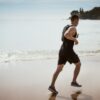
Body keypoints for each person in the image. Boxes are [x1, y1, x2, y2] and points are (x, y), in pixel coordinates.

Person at [48, 15, 82, 94]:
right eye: (76, 21)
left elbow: (65, 36)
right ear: (73, 21)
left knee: (59, 69)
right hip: (68, 51)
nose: (77, 23)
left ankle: (51, 86)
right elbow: (66, 35)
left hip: (62, 50)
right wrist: (75, 39)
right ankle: (73, 81)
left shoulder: (66, 27)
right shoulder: (73, 27)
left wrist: (73, 37)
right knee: (78, 64)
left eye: (78, 21)